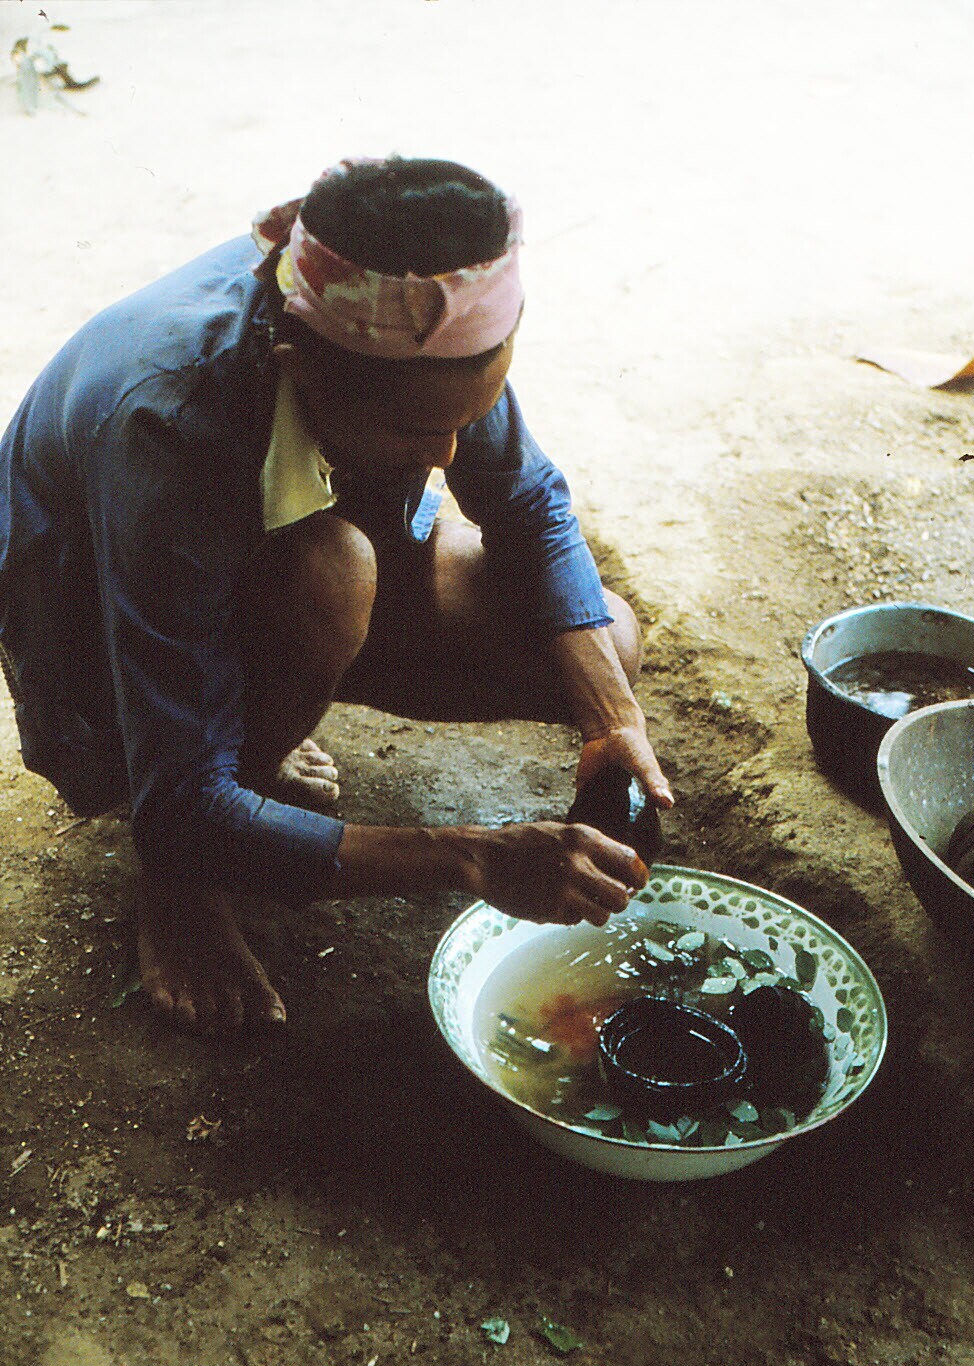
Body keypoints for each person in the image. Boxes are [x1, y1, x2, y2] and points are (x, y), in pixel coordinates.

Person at [0, 156, 672, 1032]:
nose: (448, 457)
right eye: (419, 431)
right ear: (300, 370)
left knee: (604, 643)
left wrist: (613, 722)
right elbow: (180, 807)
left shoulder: (428, 328)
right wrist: (471, 857)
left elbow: (531, 505)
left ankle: (262, 728)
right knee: (329, 578)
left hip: (275, 533)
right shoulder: (170, 425)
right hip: (103, 618)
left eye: (469, 419)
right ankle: (179, 888)